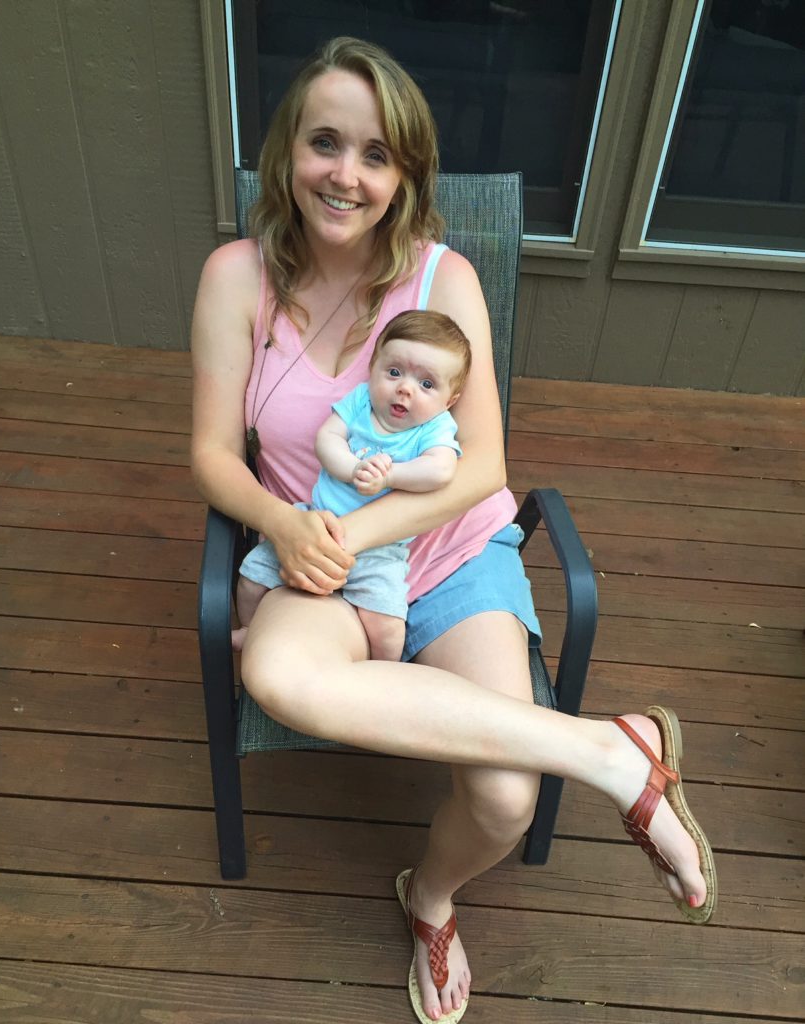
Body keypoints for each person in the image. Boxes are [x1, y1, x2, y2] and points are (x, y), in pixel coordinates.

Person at [191, 36, 717, 1024]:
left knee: (506, 804)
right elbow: (216, 452)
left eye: (377, 154)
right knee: (274, 672)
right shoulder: (236, 277)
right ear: (288, 151)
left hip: (451, 551)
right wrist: (283, 521)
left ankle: (430, 897)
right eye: (325, 143)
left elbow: (483, 470)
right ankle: (611, 749)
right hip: (321, 559)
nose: (345, 174)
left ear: (405, 174)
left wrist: (369, 528)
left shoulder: (444, 278)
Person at [233, 309, 471, 659]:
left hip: (380, 546)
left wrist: (389, 477)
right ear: (373, 369)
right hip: (315, 521)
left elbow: (440, 471)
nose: (404, 388)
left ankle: (383, 670)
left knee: (387, 623)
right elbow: (327, 437)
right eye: (393, 372)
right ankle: (249, 630)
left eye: (426, 384)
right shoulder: (361, 401)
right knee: (252, 576)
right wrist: (353, 469)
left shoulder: (435, 428)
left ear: (448, 400)